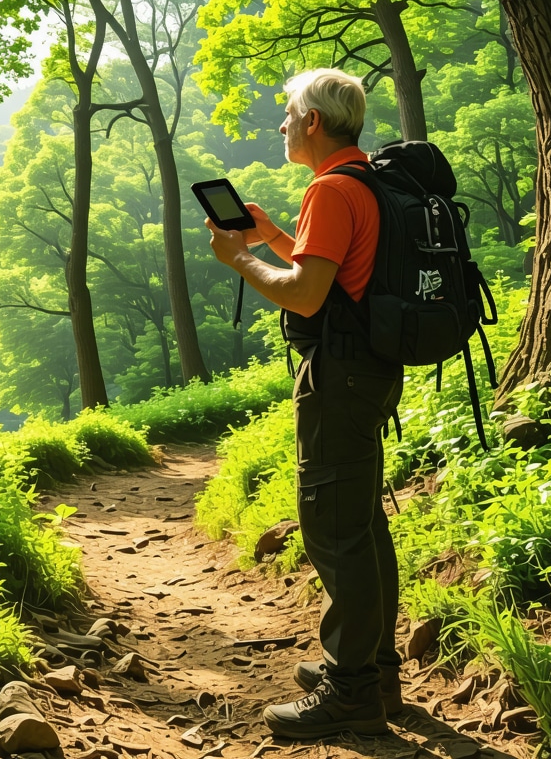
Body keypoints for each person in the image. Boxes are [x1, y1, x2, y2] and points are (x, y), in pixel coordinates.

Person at [205, 68, 404, 739]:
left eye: (290, 116)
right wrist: (272, 236)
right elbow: (333, 279)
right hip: (371, 370)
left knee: (335, 528)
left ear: (314, 121)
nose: (283, 126)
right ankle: (375, 670)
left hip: (340, 377)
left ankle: (351, 694)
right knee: (362, 522)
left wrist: (239, 257)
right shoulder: (363, 180)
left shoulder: (328, 189)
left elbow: (304, 297)